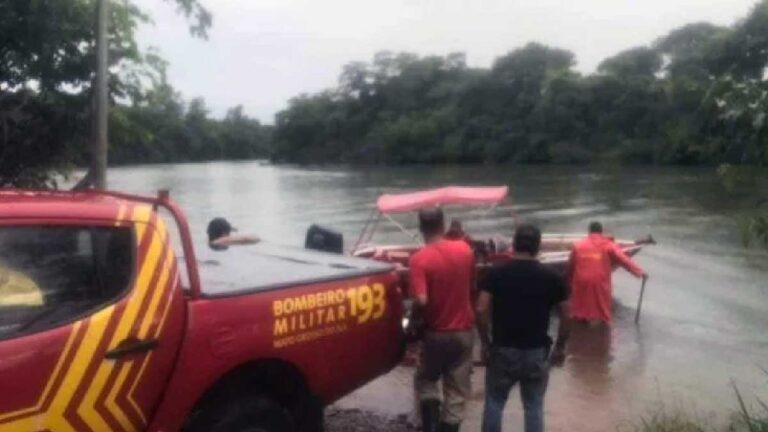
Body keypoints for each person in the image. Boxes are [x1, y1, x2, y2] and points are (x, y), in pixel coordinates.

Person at [476, 223, 570, 432]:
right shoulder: (552, 277)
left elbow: (481, 309)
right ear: (538, 247)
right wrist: (561, 347)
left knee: (494, 402)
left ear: (514, 245)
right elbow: (567, 314)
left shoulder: (496, 274)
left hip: (502, 350)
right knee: (533, 406)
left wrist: (485, 343)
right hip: (536, 352)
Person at [409, 208, 476, 432]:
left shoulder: (419, 259)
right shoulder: (466, 250)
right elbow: (472, 284)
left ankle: (429, 424)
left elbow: (421, 299)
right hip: (465, 332)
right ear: (443, 224)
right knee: (456, 393)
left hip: (435, 333)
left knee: (427, 381)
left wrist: (412, 320)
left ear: (420, 228)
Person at [568, 221, 647, 324]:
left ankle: (581, 323)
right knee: (602, 309)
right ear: (601, 232)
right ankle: (603, 326)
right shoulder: (608, 244)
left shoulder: (578, 245)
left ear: (589, 231)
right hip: (599, 280)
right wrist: (640, 272)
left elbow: (571, 265)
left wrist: (569, 281)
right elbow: (623, 259)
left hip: (581, 280)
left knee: (580, 307)